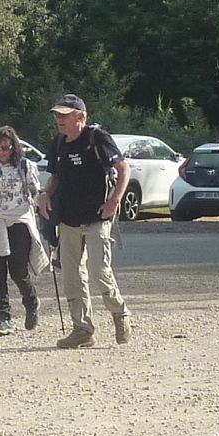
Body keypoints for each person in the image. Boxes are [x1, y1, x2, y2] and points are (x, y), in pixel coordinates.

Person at [37, 94, 132, 348]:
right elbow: (55, 176)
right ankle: (82, 329)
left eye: (64, 115)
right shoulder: (59, 143)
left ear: (81, 117)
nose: (59, 119)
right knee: (72, 276)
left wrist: (114, 201)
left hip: (97, 217)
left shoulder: (96, 138)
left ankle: (120, 314)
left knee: (99, 272)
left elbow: (124, 169)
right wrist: (46, 195)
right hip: (68, 220)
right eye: (57, 115)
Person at [0, 126, 48, 336]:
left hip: (18, 220)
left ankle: (31, 302)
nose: (1, 152)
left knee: (18, 271)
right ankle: (3, 318)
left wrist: (45, 210)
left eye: (5, 147)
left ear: (14, 147)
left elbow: (34, 192)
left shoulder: (25, 165)